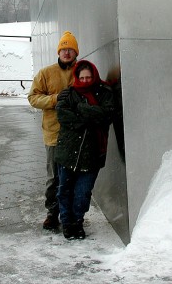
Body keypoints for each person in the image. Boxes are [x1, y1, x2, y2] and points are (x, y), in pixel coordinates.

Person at [54, 60, 115, 239]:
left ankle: (77, 222)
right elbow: (63, 116)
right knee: (64, 190)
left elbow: (107, 115)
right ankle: (67, 223)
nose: (86, 80)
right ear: (77, 77)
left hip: (93, 153)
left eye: (89, 77)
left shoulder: (104, 93)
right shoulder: (67, 93)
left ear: (94, 75)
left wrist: (80, 108)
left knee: (82, 193)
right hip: (67, 152)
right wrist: (90, 116)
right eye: (82, 77)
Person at [28, 31, 79, 230]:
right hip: (54, 134)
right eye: (64, 49)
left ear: (76, 52)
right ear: (59, 51)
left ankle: (72, 213)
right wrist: (55, 99)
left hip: (77, 134)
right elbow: (33, 98)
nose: (67, 53)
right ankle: (52, 212)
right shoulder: (46, 73)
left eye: (70, 49)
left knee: (73, 176)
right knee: (54, 177)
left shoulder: (82, 71)